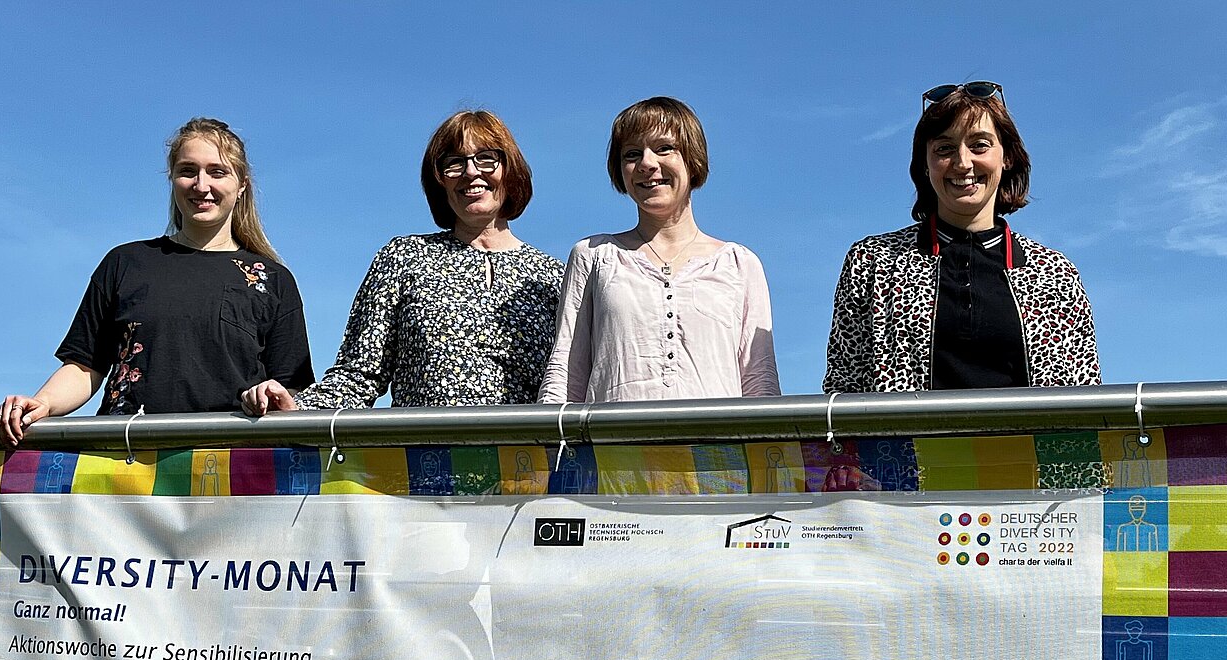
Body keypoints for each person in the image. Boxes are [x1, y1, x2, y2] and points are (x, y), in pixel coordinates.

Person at [0, 118, 313, 446]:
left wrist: (274, 396)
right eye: (188, 170)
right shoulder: (126, 263)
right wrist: (43, 403)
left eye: (217, 172)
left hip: (231, 461)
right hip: (123, 459)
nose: (201, 185)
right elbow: (84, 367)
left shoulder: (274, 280)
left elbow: (291, 388)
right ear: (172, 178)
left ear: (242, 184)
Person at [242, 111, 562, 413]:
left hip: (527, 465)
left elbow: (572, 385)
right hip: (423, 463)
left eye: (486, 158)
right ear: (439, 180)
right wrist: (294, 406)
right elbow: (358, 374)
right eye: (454, 162)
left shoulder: (555, 276)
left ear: (511, 169)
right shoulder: (405, 258)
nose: (471, 172)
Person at [823, 81, 1099, 392]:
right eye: (944, 149)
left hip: (1026, 443)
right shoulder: (872, 263)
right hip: (907, 443)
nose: (963, 163)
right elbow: (843, 388)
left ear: (1006, 156)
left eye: (979, 145)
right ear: (925, 164)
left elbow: (1085, 398)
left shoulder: (1055, 274)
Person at [539, 96, 780, 403]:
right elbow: (566, 372)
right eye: (632, 154)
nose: (647, 164)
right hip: (613, 448)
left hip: (717, 448)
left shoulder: (739, 264)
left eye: (664, 148)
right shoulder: (594, 255)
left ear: (692, 159)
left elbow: (760, 380)